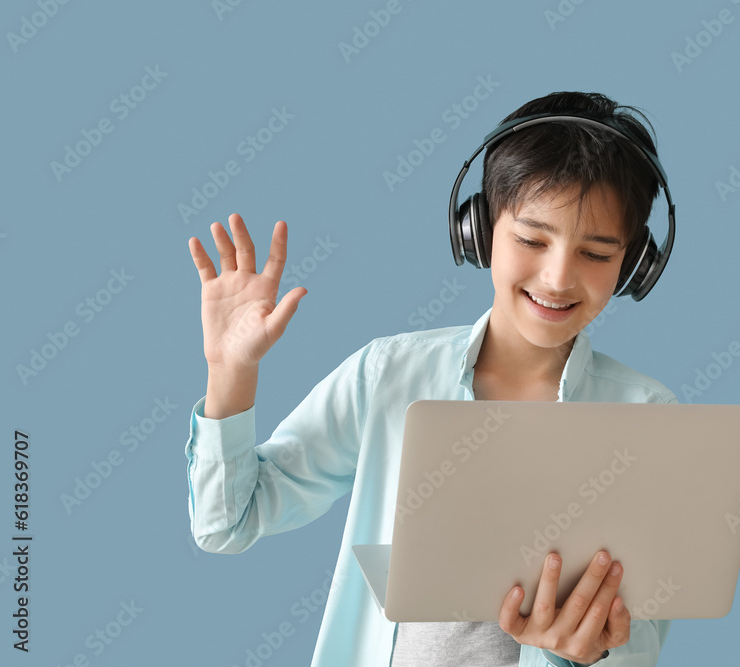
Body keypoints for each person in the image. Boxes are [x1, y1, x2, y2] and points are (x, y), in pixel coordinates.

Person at [185, 91, 678, 666]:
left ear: (633, 265)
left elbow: (640, 644)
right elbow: (228, 522)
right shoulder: (390, 376)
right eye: (532, 240)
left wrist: (583, 655)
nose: (558, 276)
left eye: (596, 253)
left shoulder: (646, 417)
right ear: (479, 229)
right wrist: (231, 372)